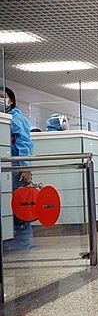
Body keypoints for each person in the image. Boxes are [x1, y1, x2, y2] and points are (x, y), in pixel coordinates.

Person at [2, 87, 35, 251]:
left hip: (16, 169)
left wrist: (25, 167)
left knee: (19, 206)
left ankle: (23, 243)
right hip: (7, 168)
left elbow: (24, 143)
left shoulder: (15, 118)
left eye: (3, 97)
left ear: (11, 100)